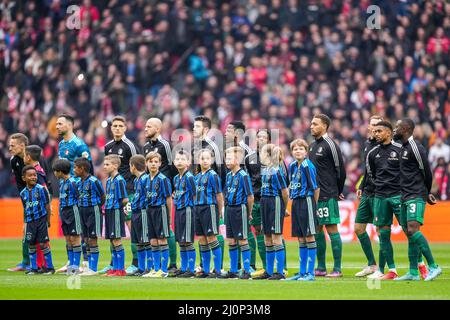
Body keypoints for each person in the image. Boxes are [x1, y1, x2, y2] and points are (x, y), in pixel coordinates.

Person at [394, 118, 442, 281]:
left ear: (406, 129)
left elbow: (426, 171)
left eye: (398, 127)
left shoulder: (416, 147)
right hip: (404, 195)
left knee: (413, 229)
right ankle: (413, 272)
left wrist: (427, 192)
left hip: (416, 194)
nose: (395, 129)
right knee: (408, 231)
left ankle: (434, 266)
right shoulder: (403, 148)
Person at [309, 114, 346, 278]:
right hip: (314, 196)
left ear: (324, 126)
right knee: (317, 231)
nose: (311, 126)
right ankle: (321, 267)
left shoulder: (331, 145)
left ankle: (337, 268)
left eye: (315, 124)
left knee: (331, 229)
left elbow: (341, 170)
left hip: (328, 194)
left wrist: (337, 191)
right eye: (311, 123)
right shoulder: (311, 146)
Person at [104, 116, 141, 275]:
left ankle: (135, 263)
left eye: (120, 126)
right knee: (114, 228)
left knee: (131, 227)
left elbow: (138, 167)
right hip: (114, 195)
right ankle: (113, 264)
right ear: (111, 128)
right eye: (115, 126)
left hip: (129, 193)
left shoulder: (130, 146)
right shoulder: (108, 146)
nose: (117, 128)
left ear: (125, 128)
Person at [55, 114, 92, 272]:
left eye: (60, 123)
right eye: (57, 123)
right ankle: (71, 262)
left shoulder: (79, 144)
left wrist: (80, 187)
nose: (56, 126)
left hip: (76, 192)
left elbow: (88, 167)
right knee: (68, 230)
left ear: (69, 125)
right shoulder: (61, 145)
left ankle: (84, 262)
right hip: (64, 192)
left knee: (79, 229)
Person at [367, 121, 402, 280]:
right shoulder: (372, 153)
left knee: (411, 230)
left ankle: (420, 267)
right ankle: (391, 270)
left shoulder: (400, 150)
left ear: (389, 133)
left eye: (379, 131)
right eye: (375, 132)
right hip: (380, 197)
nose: (376, 134)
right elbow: (372, 175)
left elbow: (407, 173)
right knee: (382, 233)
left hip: (398, 195)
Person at [143, 117, 178, 272]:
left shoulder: (165, 145)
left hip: (163, 191)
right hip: (150, 194)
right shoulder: (145, 147)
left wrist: (173, 187)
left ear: (157, 129)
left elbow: (172, 166)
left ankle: (172, 262)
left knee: (166, 231)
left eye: (148, 126)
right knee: (154, 234)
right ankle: (155, 267)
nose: (145, 128)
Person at [224, 121, 256, 273]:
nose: (225, 132)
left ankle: (249, 267)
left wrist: (249, 211)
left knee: (245, 236)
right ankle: (234, 268)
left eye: (229, 129)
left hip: (242, 206)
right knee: (231, 239)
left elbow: (251, 190)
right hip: (230, 207)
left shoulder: (247, 154)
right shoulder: (229, 173)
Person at [286, 139, 319, 282]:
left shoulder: (307, 166)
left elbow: (316, 188)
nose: (298, 151)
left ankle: (310, 273)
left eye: (301, 149)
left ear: (306, 152)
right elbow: (290, 185)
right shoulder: (293, 166)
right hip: (296, 202)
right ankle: (302, 272)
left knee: (309, 236)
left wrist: (314, 206)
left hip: (307, 201)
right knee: (300, 237)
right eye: (295, 149)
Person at [254, 144, 289, 280]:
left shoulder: (276, 170)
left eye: (262, 153)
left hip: (275, 202)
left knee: (276, 237)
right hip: (264, 202)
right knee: (266, 237)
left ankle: (279, 272)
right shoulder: (265, 170)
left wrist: (283, 207)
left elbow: (285, 192)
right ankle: (268, 271)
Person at [354, 115, 383, 277]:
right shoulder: (367, 144)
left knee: (381, 230)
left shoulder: (384, 145)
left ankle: (383, 269)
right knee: (358, 228)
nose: (373, 128)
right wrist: (362, 185)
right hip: (367, 192)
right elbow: (367, 169)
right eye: (371, 124)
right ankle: (372, 264)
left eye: (377, 126)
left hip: (380, 193)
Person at [193, 149, 225, 278]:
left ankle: (217, 270)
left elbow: (219, 195)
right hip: (198, 209)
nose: (205, 160)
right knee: (202, 239)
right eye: (202, 158)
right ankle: (205, 271)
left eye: (207, 158)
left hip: (209, 208)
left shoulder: (213, 175)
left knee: (211, 237)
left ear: (211, 161)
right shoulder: (197, 176)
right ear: (199, 161)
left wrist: (219, 211)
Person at [142, 152, 173, 278]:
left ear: (160, 164)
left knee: (162, 239)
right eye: (151, 161)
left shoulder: (163, 179)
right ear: (146, 163)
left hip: (161, 210)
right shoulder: (145, 179)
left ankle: (164, 270)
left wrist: (169, 215)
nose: (153, 164)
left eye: (156, 162)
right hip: (150, 210)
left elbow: (168, 198)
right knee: (153, 240)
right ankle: (155, 268)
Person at [20, 165, 55, 275]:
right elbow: (25, 209)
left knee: (44, 244)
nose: (33, 177)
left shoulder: (41, 189)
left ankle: (50, 268)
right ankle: (34, 268)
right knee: (31, 244)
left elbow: (47, 206)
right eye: (30, 175)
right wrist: (25, 223)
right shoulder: (22, 193)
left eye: (34, 175)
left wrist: (48, 220)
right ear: (24, 178)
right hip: (30, 222)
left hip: (41, 220)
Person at [73, 157, 105, 276]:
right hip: (82, 211)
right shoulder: (77, 182)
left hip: (93, 211)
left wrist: (95, 207)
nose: (74, 170)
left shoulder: (94, 181)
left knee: (92, 239)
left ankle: (93, 268)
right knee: (85, 239)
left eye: (75, 168)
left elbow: (102, 196)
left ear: (82, 169)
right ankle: (88, 267)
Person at [245, 129, 269, 278]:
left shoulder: (275, 156)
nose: (260, 139)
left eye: (264, 137)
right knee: (258, 231)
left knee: (274, 233)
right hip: (255, 199)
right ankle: (263, 267)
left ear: (269, 140)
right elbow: (248, 178)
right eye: (258, 136)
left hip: (270, 199)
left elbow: (284, 180)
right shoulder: (249, 158)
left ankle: (282, 267)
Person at [52, 158, 82, 275]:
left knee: (75, 238)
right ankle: (70, 265)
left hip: (73, 211)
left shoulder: (73, 182)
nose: (54, 173)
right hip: (64, 212)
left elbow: (79, 197)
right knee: (68, 239)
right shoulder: (62, 183)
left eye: (55, 171)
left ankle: (76, 266)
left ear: (60, 171)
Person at [7, 133, 32, 272]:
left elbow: (44, 179)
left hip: (40, 197)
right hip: (27, 198)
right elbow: (19, 183)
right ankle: (25, 261)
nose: (9, 148)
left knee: (37, 231)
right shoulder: (14, 161)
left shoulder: (34, 157)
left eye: (12, 145)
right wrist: (26, 200)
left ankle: (38, 262)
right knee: (27, 229)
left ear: (22, 146)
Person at [103, 154, 128, 277]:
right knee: (112, 241)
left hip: (116, 211)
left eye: (107, 164)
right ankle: (115, 268)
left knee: (117, 239)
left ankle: (120, 269)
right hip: (108, 211)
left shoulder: (119, 180)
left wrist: (117, 207)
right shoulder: (108, 180)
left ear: (116, 166)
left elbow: (125, 199)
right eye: (104, 164)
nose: (104, 166)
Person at [172, 150, 197, 278]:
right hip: (178, 210)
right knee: (181, 240)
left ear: (188, 162)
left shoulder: (190, 177)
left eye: (182, 159)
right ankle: (183, 267)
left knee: (187, 240)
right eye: (177, 159)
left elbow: (195, 194)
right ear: (174, 162)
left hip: (187, 210)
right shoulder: (176, 178)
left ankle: (191, 269)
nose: (179, 161)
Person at [128, 155, 151, 277]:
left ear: (133, 166)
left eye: (130, 166)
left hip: (143, 212)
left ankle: (149, 267)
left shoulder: (146, 179)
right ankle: (141, 268)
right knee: (139, 242)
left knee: (146, 241)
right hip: (136, 212)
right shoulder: (137, 180)